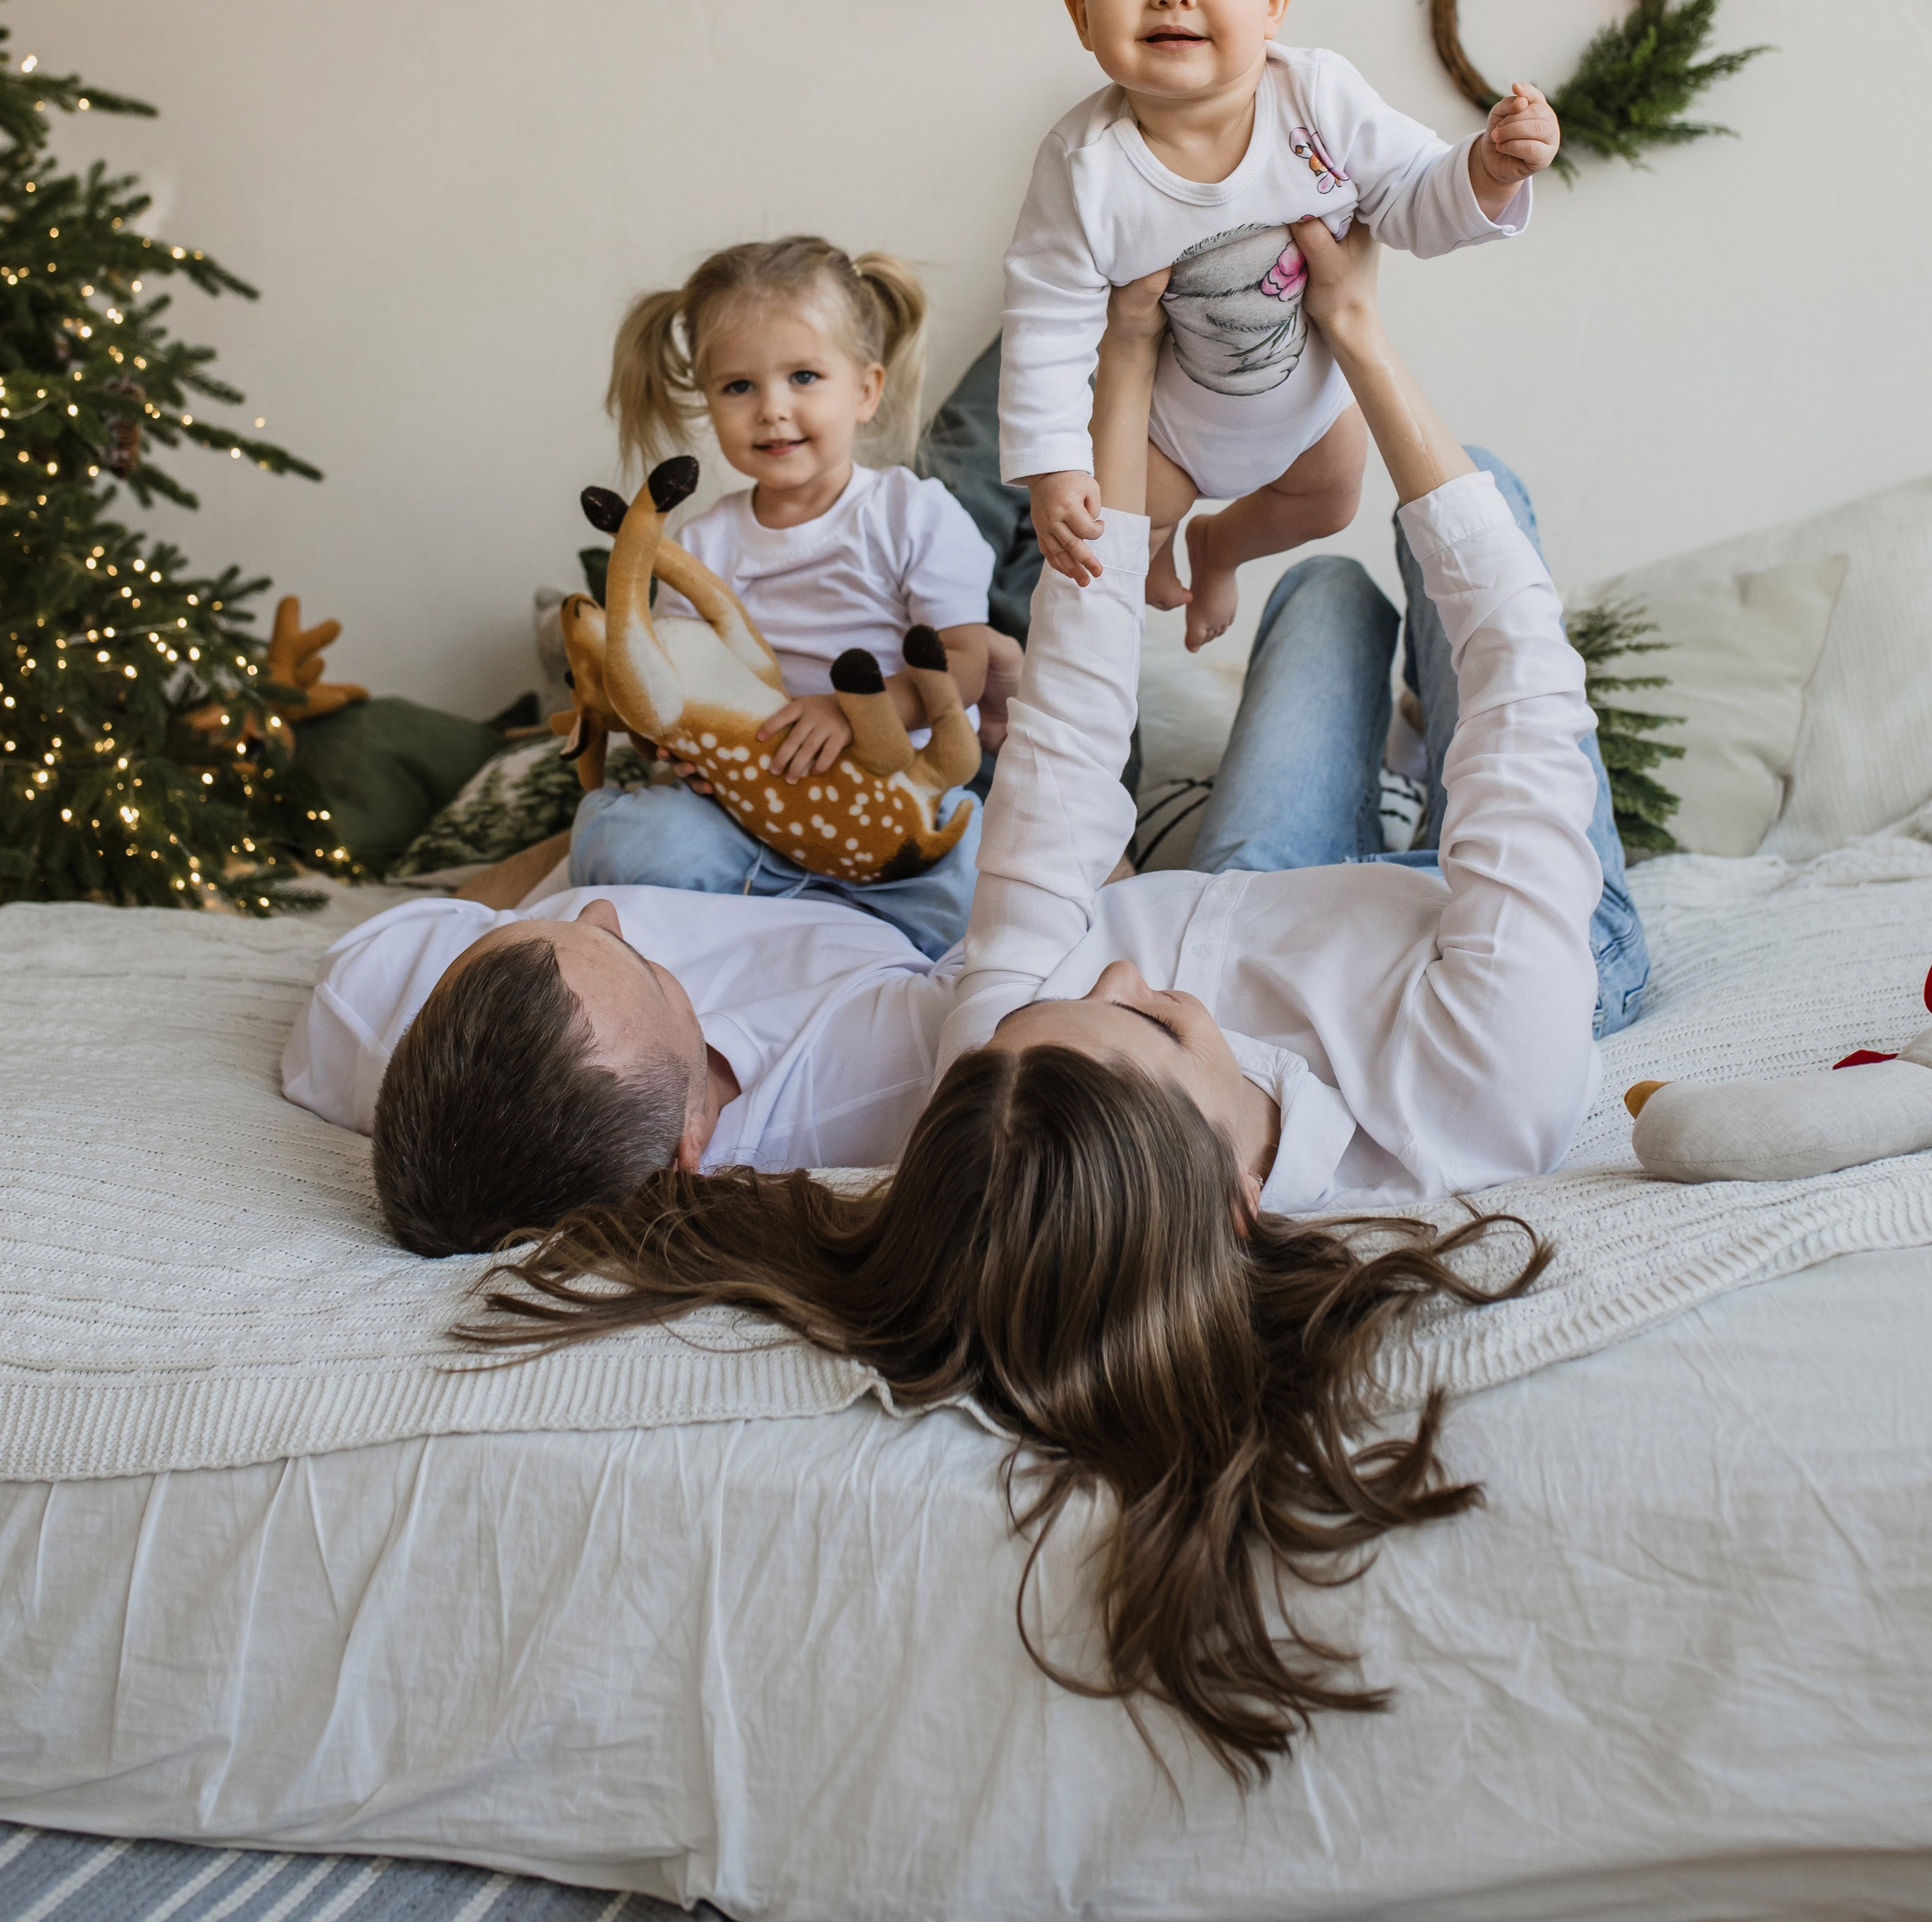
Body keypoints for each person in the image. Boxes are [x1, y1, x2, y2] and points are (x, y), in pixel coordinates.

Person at [450, 218, 1616, 1773]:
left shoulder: (986, 1059)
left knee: (1316, 615)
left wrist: (1125, 361)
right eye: (1135, 1024)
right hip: (1477, 937)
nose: (1121, 971)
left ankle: (1364, 768)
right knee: (1468, 531)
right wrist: (1357, 338)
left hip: (1252, 882)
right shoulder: (1488, 1077)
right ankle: (1416, 798)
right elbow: (1526, 686)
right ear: (1235, 1198)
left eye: (1074, 1000)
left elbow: (1063, 731)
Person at [1000, 0, 1560, 647]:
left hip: (1312, 410)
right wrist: (1053, 470)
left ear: (1272, 4)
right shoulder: (1084, 167)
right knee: (1117, 533)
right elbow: (1044, 324)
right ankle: (1164, 552)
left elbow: (1411, 195)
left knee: (1331, 499)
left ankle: (1218, 550)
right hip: (1172, 433)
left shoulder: (1317, 99)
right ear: (1083, 15)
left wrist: (1487, 170)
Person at [581, 234, 995, 958]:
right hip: (748, 814)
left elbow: (967, 662)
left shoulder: (912, 514)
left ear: (866, 390)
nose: (772, 409)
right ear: (709, 402)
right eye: (739, 387)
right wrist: (682, 752)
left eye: (804, 376)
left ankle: (853, 931)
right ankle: (766, 922)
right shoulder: (707, 543)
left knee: (975, 873)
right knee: (625, 842)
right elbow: (672, 676)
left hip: (893, 801)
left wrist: (851, 711)